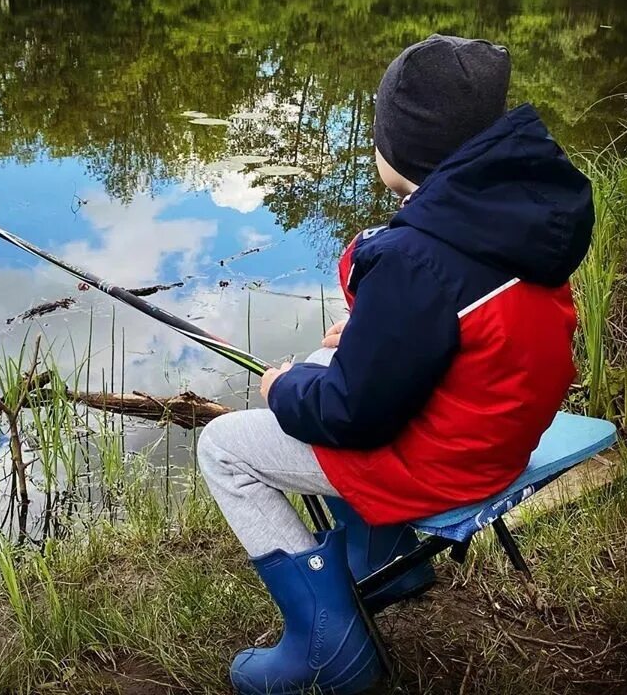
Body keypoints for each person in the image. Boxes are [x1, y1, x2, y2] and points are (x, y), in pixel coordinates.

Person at [198, 34, 594, 695]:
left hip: (445, 462)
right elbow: (463, 321)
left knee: (224, 448)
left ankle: (329, 649)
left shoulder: (416, 257)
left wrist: (282, 387)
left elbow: (353, 414)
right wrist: (367, 333)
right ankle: (389, 557)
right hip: (500, 430)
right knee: (335, 350)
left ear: (398, 150)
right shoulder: (513, 214)